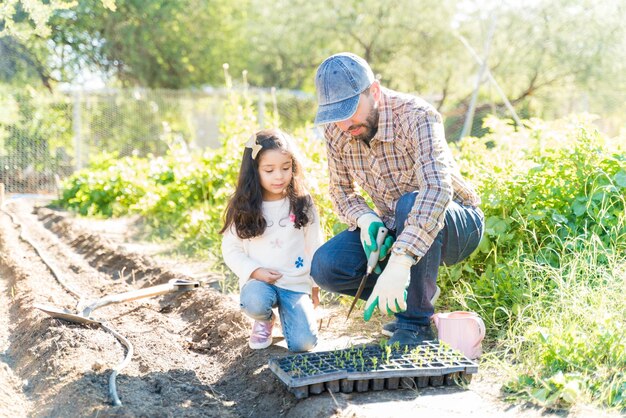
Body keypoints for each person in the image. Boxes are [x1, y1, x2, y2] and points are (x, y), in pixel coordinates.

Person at [310, 52, 484, 346]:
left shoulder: (417, 116)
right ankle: (415, 293)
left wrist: (400, 262)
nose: (344, 124)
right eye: (336, 115)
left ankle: (414, 324)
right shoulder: (337, 130)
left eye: (351, 110)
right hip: (397, 223)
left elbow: (436, 190)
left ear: (374, 91)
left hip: (455, 222)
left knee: (410, 202)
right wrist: (366, 220)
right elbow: (340, 192)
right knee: (326, 266)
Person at [221, 128, 323, 352]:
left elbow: (315, 245)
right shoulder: (244, 206)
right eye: (269, 170)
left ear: (293, 167)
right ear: (254, 171)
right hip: (260, 284)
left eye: (286, 168)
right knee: (254, 301)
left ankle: (296, 318)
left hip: (295, 284)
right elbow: (231, 249)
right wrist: (255, 271)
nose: (279, 176)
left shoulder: (302, 202)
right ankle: (265, 320)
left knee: (303, 344)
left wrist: (315, 288)